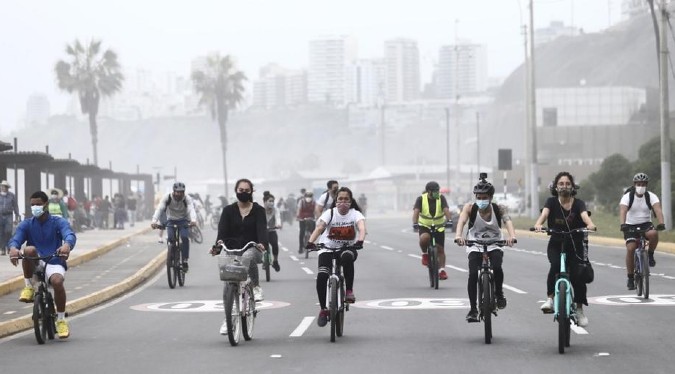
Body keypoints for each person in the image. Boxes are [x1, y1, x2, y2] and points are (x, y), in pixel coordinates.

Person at [8, 190, 77, 339]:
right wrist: (13, 249)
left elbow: (69, 234)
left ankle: (61, 320)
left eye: (38, 204)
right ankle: (28, 287)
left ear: (46, 204)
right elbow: (16, 239)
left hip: (54, 260)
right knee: (28, 249)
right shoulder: (26, 224)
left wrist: (67, 245)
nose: (35, 207)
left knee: (58, 282)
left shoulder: (58, 222)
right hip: (36, 261)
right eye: (32, 205)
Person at [533, 171, 596, 327]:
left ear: (572, 186)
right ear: (556, 186)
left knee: (577, 276)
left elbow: (585, 217)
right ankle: (550, 300)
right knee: (555, 266)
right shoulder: (551, 202)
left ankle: (579, 309)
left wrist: (590, 225)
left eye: (567, 183)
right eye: (561, 183)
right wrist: (539, 224)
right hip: (556, 243)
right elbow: (544, 215)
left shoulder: (579, 203)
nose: (564, 186)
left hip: (575, 245)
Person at [454, 174, 516, 322]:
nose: (481, 200)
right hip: (474, 243)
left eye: (484, 197)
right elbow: (462, 221)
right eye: (478, 197)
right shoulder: (470, 208)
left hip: (495, 243)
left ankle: (499, 294)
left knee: (497, 266)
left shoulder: (499, 208)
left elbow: (508, 222)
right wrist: (458, 236)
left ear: (491, 197)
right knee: (473, 274)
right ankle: (473, 309)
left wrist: (511, 236)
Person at [210, 178, 269, 335]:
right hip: (232, 250)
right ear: (236, 191)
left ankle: (256, 287)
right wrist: (217, 246)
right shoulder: (228, 210)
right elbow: (221, 234)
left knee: (249, 255)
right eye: (240, 190)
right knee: (227, 286)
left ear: (251, 192)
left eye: (246, 190)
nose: (243, 193)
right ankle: (228, 319)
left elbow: (262, 230)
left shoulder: (258, 210)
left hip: (253, 247)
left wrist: (262, 243)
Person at [305, 187, 366, 327]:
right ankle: (323, 309)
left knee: (346, 257)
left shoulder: (355, 214)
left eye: (346, 199)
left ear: (351, 201)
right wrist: (310, 242)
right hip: (326, 248)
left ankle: (349, 290)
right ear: (335, 201)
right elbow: (320, 227)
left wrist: (360, 241)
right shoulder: (329, 213)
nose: (343, 202)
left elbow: (362, 228)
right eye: (340, 199)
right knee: (322, 275)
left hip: (347, 248)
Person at [619, 172, 666, 290]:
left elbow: (658, 210)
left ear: (647, 185)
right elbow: (623, 211)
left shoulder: (651, 196)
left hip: (646, 224)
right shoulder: (627, 196)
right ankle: (630, 278)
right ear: (634, 185)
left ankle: (650, 254)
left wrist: (661, 223)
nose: (641, 186)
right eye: (638, 184)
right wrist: (623, 224)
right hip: (630, 225)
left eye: (643, 184)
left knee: (654, 233)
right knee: (631, 248)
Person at [412, 181, 454, 281]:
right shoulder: (421, 199)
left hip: (439, 226)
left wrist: (449, 220)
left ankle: (442, 271)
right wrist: (415, 223)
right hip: (425, 225)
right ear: (428, 191)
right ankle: (424, 254)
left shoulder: (441, 198)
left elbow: (446, 210)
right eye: (434, 191)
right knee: (424, 238)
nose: (436, 193)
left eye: (437, 190)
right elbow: (416, 212)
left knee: (440, 249)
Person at [151, 182, 197, 271]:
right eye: (177, 192)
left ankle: (184, 260)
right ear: (174, 191)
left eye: (181, 192)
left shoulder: (187, 198)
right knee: (170, 238)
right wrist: (154, 221)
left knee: (184, 238)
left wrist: (193, 220)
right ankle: (171, 255)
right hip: (171, 220)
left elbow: (191, 209)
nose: (179, 194)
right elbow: (160, 209)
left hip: (183, 220)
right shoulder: (167, 197)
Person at [0, 180, 21, 256]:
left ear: (7, 188)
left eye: (5, 187)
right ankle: (2, 248)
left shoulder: (11, 195)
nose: (3, 188)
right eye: (2, 186)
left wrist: (17, 215)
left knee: (8, 231)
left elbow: (15, 205)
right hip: (0, 215)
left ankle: (9, 247)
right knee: (1, 232)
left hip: (9, 215)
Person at [263, 192, 282, 271]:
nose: (271, 203)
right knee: (262, 246)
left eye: (272, 201)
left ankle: (275, 261)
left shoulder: (276, 210)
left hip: (272, 230)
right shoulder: (260, 210)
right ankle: (264, 260)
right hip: (263, 232)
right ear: (265, 202)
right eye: (269, 201)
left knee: (274, 244)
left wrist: (278, 224)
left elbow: (278, 218)